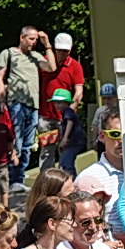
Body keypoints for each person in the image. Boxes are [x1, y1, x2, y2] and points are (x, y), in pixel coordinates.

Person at [0, 26, 57, 186]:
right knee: (17, 141)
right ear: (22, 38)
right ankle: (11, 179)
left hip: (33, 104)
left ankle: (19, 178)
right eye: (31, 39)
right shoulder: (8, 53)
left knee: (28, 144)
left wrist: (47, 44)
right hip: (16, 103)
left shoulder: (35, 56)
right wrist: (1, 100)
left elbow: (52, 67)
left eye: (36, 39)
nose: (34, 43)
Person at [39, 33, 86, 167]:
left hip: (64, 117)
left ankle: (62, 182)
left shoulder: (75, 66)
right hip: (46, 114)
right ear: (54, 49)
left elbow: (79, 91)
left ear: (70, 50)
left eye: (65, 51)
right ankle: (46, 183)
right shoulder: (45, 61)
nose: (61, 53)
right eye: (59, 50)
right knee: (46, 151)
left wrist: (71, 109)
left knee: (65, 150)